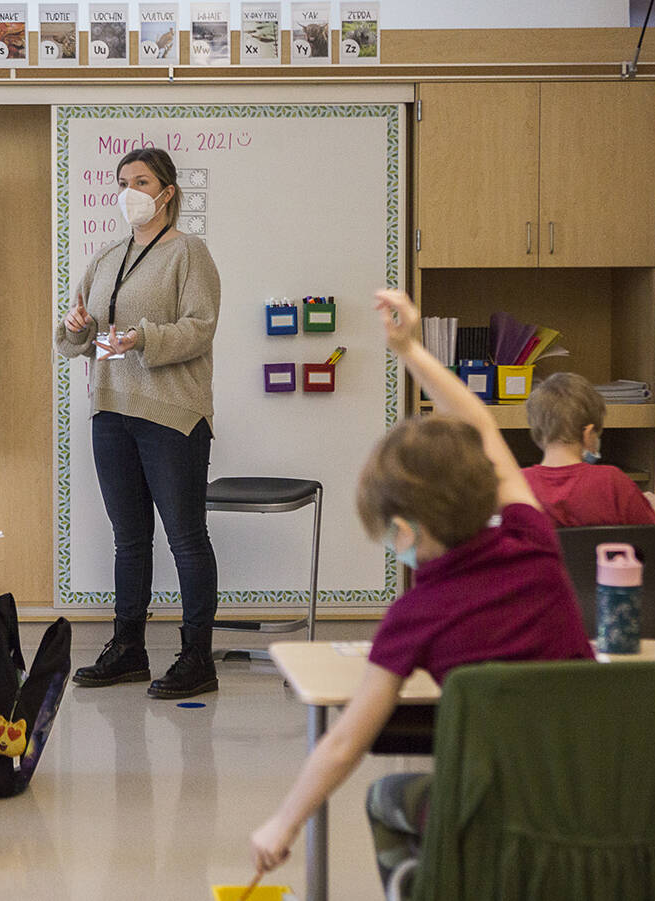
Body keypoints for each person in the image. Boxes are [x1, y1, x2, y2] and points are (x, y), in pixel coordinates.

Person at [249, 290, 593, 899]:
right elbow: (482, 425)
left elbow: (345, 742)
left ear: (405, 532)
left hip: (494, 822)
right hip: (594, 804)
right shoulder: (533, 538)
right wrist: (409, 350)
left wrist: (283, 822)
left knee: (388, 798)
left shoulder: (416, 614)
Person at [54, 146, 222, 700]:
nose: (129, 190)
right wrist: (77, 323)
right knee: (129, 540)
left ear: (167, 192)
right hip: (112, 410)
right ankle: (128, 649)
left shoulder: (189, 253)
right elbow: (81, 339)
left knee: (186, 539)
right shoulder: (107, 257)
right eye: (123, 181)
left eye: (141, 181)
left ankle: (197, 657)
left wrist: (145, 336)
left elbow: (200, 328)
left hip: (172, 415)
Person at [522, 371, 655, 527]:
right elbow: (650, 540)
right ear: (588, 433)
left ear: (537, 434)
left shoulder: (517, 484)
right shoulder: (613, 481)